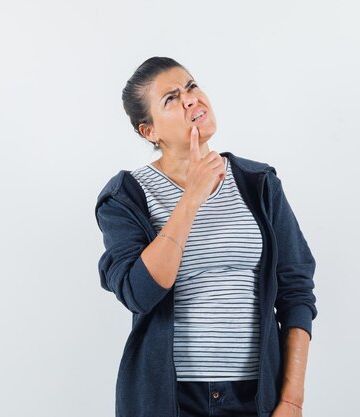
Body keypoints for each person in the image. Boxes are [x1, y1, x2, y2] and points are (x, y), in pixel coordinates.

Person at [94, 57, 317, 417]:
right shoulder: (126, 196)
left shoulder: (258, 184)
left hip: (256, 397)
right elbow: (140, 292)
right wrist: (192, 195)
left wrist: (292, 399)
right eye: (171, 98)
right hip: (170, 401)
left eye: (192, 86)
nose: (190, 100)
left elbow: (296, 291)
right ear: (149, 131)